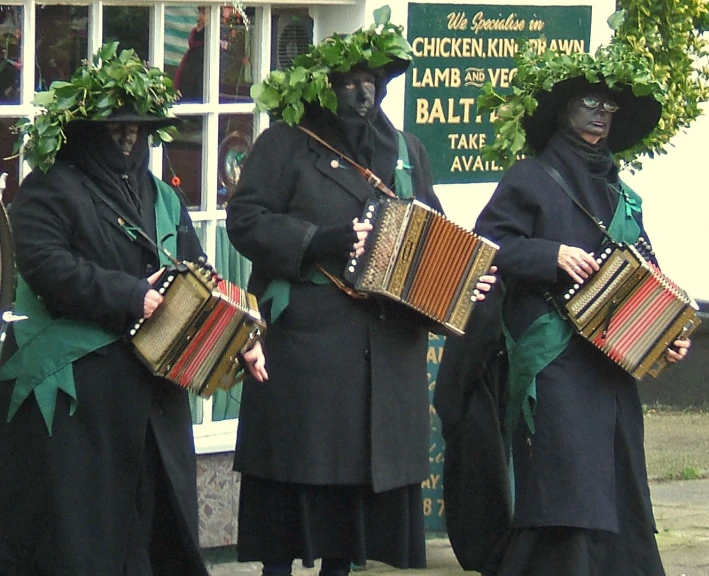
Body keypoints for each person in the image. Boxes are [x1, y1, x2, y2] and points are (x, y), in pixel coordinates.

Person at [225, 10, 494, 576]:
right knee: (294, 475)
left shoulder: (405, 151)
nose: (362, 95)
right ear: (326, 88)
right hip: (307, 346)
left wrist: (464, 273)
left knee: (355, 488)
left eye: (372, 83)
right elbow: (245, 221)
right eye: (349, 84)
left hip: (384, 346)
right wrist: (324, 239)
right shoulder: (286, 144)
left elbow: (430, 226)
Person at [0, 46, 265, 575]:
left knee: (155, 539)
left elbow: (198, 274)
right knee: (80, 545)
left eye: (138, 130)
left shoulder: (160, 195)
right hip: (79, 411)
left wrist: (241, 340)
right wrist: (129, 295)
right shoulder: (47, 190)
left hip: (153, 404)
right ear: (84, 131)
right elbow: (46, 267)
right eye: (115, 128)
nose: (128, 139)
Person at [450, 66, 692, 574]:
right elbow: (487, 247)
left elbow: (647, 273)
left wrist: (668, 337)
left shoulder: (621, 193)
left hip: (611, 360)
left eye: (608, 109)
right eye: (589, 104)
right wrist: (552, 254)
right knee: (566, 479)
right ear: (562, 111)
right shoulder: (529, 178)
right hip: (551, 354)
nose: (600, 117)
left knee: (617, 473)